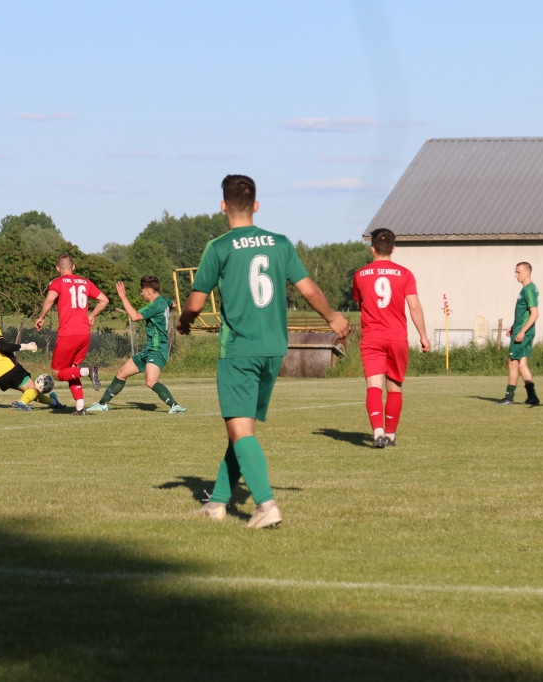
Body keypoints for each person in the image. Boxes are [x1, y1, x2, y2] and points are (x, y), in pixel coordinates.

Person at [177, 174, 349, 529]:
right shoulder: (280, 243)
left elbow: (195, 301)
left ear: (223, 206)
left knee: (240, 430)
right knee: (241, 430)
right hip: (274, 348)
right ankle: (219, 503)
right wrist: (332, 317)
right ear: (256, 205)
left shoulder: (219, 247)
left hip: (239, 348)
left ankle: (266, 505)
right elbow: (307, 288)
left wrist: (184, 321)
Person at [352, 228, 431, 448]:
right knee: (394, 387)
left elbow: (360, 304)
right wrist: (423, 336)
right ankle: (391, 435)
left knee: (374, 386)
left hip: (372, 337)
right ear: (394, 249)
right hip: (397, 337)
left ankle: (377, 433)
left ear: (372, 249)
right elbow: (414, 307)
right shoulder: (405, 274)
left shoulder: (359, 275)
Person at [87, 276, 186, 414]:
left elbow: (135, 317)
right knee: (121, 373)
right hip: (149, 350)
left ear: (148, 292)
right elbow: (174, 304)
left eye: (142, 291)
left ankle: (175, 406)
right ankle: (102, 404)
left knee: (151, 381)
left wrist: (123, 297)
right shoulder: (163, 301)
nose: (141, 294)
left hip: (157, 350)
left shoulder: (155, 305)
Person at [35, 254, 109, 415]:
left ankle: (87, 371)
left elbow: (49, 300)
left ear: (57, 268)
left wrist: (41, 317)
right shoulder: (86, 282)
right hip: (84, 334)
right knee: (71, 369)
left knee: (58, 373)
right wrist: (92, 316)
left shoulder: (58, 282)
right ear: (73, 267)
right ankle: (80, 407)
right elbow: (104, 300)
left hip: (68, 334)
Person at [497, 262, 540, 406]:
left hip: (523, 333)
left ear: (527, 272)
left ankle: (509, 397)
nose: (516, 275)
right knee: (522, 364)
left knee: (512, 363)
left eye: (518, 272)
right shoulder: (527, 289)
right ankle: (532, 397)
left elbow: (534, 314)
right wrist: (513, 326)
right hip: (521, 330)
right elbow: (525, 314)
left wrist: (521, 331)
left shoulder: (529, 289)